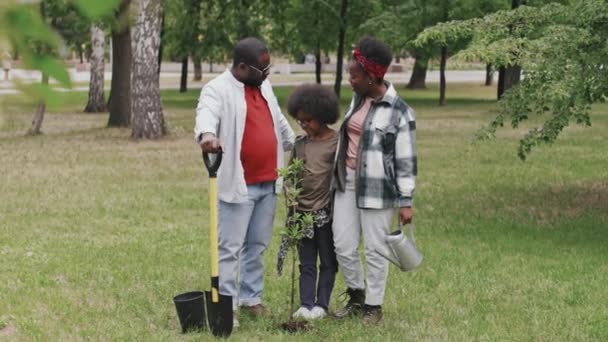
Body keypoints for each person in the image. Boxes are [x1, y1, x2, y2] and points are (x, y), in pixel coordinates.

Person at [194, 37, 295, 327]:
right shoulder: (218, 89)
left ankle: (251, 298)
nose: (267, 73)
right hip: (239, 184)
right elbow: (206, 114)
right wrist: (207, 136)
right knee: (230, 248)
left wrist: (295, 142)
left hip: (269, 181)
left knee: (258, 245)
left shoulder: (263, 85)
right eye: (262, 69)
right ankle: (228, 307)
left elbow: (278, 120)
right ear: (241, 67)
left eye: (268, 67)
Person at [331, 36, 417, 324]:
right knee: (342, 243)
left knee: (376, 249)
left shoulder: (400, 112)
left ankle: (373, 307)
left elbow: (406, 160)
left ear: (371, 76)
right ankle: (356, 295)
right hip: (348, 182)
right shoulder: (358, 99)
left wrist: (406, 201)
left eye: (354, 76)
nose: (349, 81)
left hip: (379, 188)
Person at [276, 84, 340, 320]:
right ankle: (305, 304)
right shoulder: (300, 144)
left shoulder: (336, 143)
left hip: (325, 215)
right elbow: (291, 176)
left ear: (323, 117)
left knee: (328, 261)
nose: (303, 125)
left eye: (308, 121)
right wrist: (290, 198)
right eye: (299, 121)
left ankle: (321, 306)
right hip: (301, 216)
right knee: (306, 262)